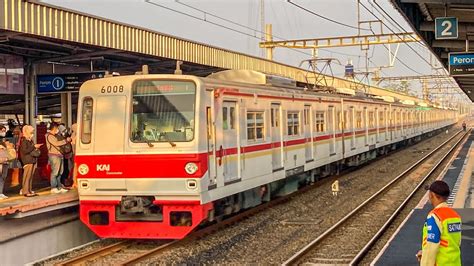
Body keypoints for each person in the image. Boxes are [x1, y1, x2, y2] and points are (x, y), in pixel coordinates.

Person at [416, 180, 462, 265]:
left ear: (431, 195)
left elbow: (431, 245)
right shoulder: (455, 216)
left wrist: (425, 262)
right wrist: (424, 253)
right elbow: (454, 243)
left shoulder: (435, 216)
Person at [46, 123, 71, 194]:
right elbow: (56, 143)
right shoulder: (49, 136)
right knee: (55, 172)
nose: (58, 130)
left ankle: (59, 186)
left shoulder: (55, 135)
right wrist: (66, 141)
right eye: (57, 128)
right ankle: (53, 187)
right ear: (54, 128)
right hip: (54, 155)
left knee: (60, 172)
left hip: (59, 155)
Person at [19, 125, 42, 197]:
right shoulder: (24, 141)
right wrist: (34, 146)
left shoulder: (29, 140)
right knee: (27, 177)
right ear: (26, 132)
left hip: (31, 160)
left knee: (30, 177)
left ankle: (29, 190)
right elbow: (25, 151)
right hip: (27, 160)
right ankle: (25, 191)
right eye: (31, 132)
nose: (32, 133)